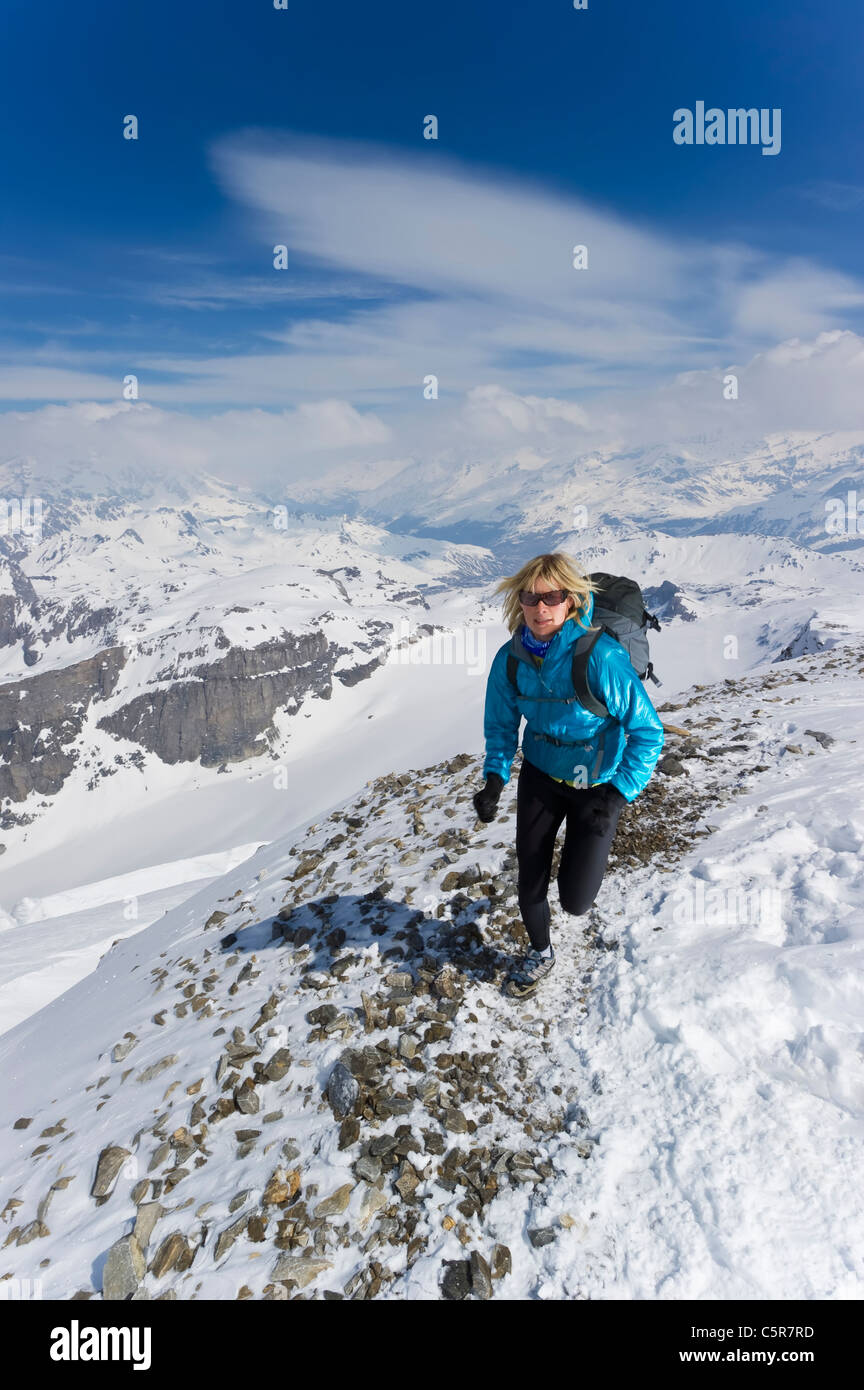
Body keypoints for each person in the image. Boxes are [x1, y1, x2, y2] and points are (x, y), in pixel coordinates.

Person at [473, 551, 665, 995]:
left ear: (571, 601)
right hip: (541, 775)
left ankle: (577, 883)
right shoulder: (511, 660)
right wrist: (495, 780)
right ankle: (540, 952)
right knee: (530, 876)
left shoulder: (601, 657)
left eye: (553, 597)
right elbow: (501, 726)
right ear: (519, 602)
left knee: (576, 902)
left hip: (596, 786)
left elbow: (647, 732)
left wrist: (617, 797)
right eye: (530, 598)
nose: (541, 608)